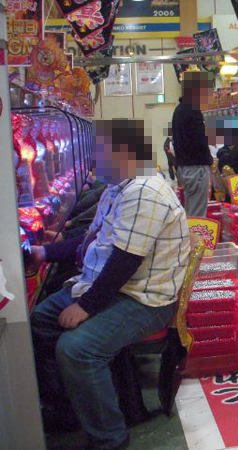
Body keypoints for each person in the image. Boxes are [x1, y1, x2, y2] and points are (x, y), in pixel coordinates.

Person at [29, 118, 190, 450]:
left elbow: (125, 262)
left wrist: (86, 307)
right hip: (111, 284)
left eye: (101, 153)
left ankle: (109, 438)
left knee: (77, 350)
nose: (95, 161)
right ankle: (70, 407)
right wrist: (45, 252)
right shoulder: (120, 187)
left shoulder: (145, 192)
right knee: (40, 321)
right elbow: (94, 242)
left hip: (144, 299)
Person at [171, 71, 214, 217]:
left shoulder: (179, 109)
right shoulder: (192, 111)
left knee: (191, 210)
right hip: (196, 168)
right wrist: (209, 160)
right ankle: (194, 233)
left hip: (185, 167)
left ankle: (190, 232)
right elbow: (199, 141)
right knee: (197, 214)